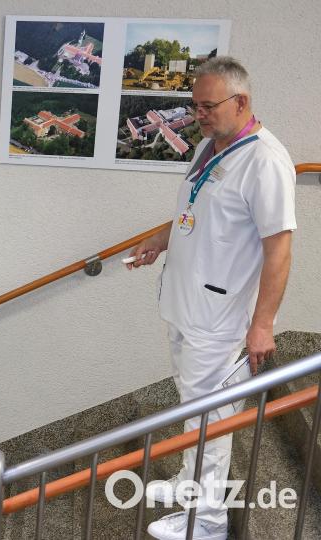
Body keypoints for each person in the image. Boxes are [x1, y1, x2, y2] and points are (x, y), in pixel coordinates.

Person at [127, 56, 296, 540]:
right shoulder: (210, 146)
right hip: (184, 304)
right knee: (192, 406)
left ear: (240, 102)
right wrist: (161, 239)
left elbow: (279, 248)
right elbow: (197, 209)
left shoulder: (265, 161)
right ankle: (188, 484)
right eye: (194, 105)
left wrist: (262, 324)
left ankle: (207, 521)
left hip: (219, 317)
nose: (197, 115)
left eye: (207, 106)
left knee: (211, 420)